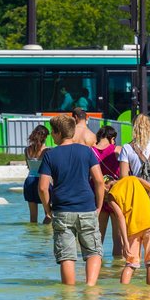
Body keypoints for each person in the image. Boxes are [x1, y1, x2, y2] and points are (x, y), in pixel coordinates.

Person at [37, 114, 104, 286]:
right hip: (87, 208)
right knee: (93, 251)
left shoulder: (50, 155)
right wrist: (99, 206)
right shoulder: (87, 151)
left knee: (66, 256)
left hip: (62, 210)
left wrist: (47, 209)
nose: (51, 135)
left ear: (59, 133)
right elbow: (99, 180)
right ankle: (90, 288)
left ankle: (69, 293)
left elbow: (43, 187)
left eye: (52, 132)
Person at [119, 114, 150, 259]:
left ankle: (134, 268)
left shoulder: (127, 148)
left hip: (137, 201)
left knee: (135, 238)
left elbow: (124, 178)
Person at [106, 175, 150, 285]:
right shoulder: (133, 178)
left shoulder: (111, 197)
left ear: (106, 187)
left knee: (130, 264)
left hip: (133, 229)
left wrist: (125, 242)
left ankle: (125, 294)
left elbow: (120, 218)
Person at [92, 125, 123, 255]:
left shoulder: (90, 151)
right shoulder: (117, 150)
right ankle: (117, 268)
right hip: (114, 195)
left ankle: (98, 267)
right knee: (117, 239)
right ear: (112, 138)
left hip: (97, 196)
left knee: (97, 238)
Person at [23, 125, 50, 223]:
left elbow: (29, 166)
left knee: (33, 218)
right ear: (45, 137)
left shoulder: (27, 150)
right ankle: (46, 237)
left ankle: (33, 237)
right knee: (48, 214)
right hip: (43, 181)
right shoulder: (48, 151)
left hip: (29, 181)